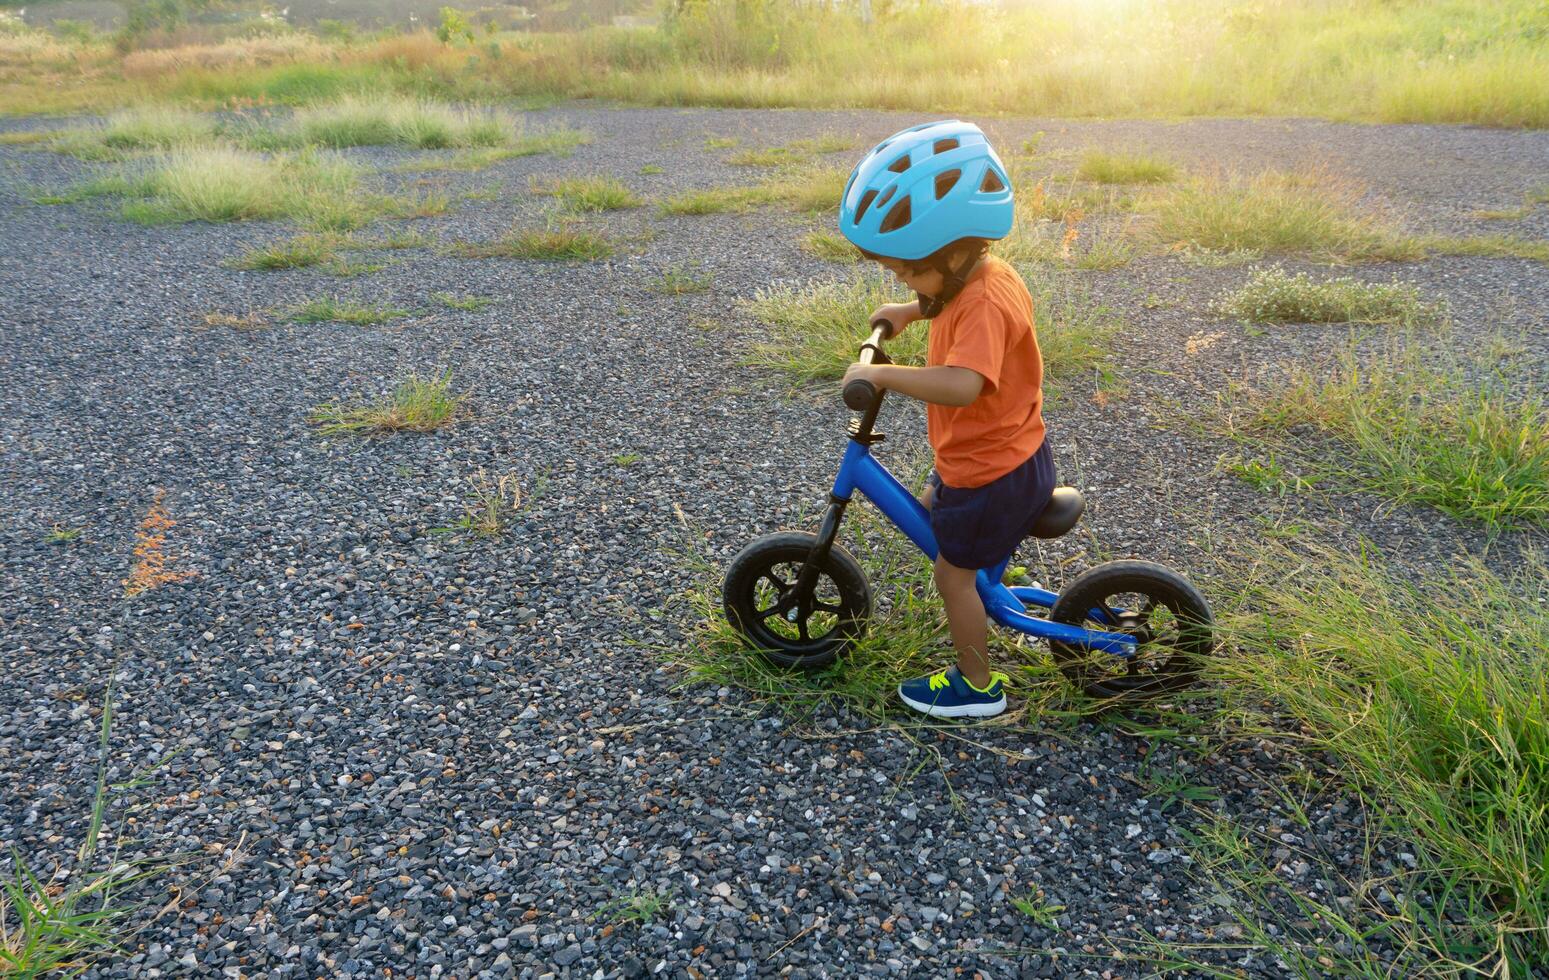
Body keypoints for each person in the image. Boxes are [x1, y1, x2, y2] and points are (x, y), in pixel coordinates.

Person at [836, 120, 1053, 719]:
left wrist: (880, 375)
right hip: (1008, 453)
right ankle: (987, 576)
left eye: (908, 269)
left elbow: (963, 384)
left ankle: (977, 687)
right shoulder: (984, 275)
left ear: (953, 251)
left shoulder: (981, 300)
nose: (901, 277)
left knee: (952, 577)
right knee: (940, 503)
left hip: (991, 472)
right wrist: (912, 309)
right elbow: (947, 298)